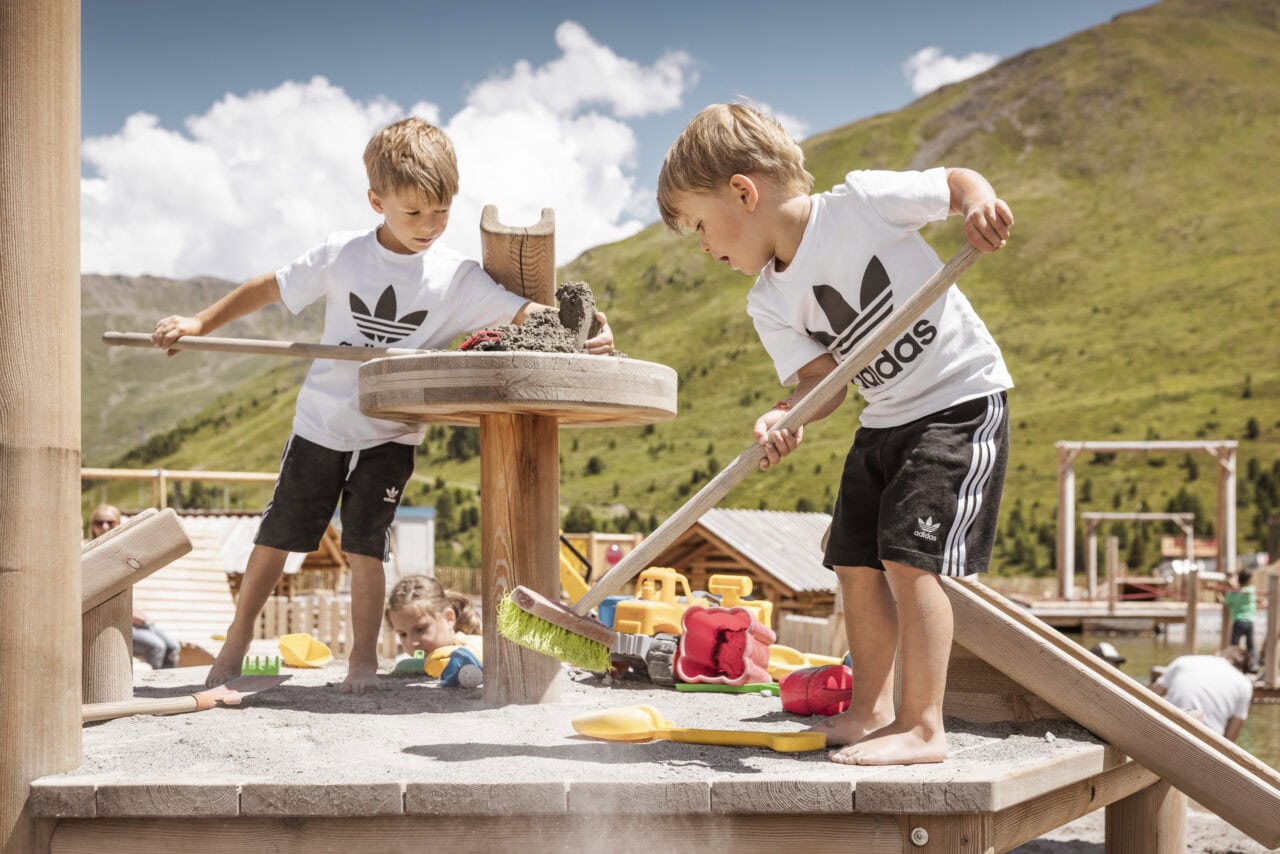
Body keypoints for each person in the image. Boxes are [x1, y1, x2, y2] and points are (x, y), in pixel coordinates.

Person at [152, 117, 613, 693]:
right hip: (321, 424)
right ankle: (236, 642)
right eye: (413, 212)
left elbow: (530, 316)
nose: (429, 225)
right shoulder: (342, 255)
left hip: (391, 433)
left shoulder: (457, 279)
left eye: (441, 211)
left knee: (365, 549)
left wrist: (588, 329)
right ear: (377, 201)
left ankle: (362, 661)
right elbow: (270, 287)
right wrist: (200, 321)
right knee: (276, 538)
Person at [657, 103, 1013, 766]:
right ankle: (869, 710)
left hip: (955, 401)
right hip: (883, 418)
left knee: (908, 561)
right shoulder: (768, 300)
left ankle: (923, 726)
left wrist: (979, 205)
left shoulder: (862, 204)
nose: (704, 247)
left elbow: (956, 182)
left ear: (743, 192)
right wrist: (784, 415)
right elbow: (822, 383)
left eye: (701, 226)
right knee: (853, 561)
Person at [88, 504, 180, 669]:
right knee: (157, 647)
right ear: (92, 526)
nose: (105, 527)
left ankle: (167, 679)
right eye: (99, 522)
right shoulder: (88, 554)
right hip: (107, 621)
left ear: (118, 524)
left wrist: (139, 615)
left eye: (110, 522)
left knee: (173, 646)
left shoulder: (122, 550)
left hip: (131, 616)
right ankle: (154, 682)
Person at [385, 575, 483, 685]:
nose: (412, 642)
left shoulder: (474, 645)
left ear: (449, 618)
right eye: (403, 634)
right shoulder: (414, 657)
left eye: (420, 629)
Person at [1152, 646, 1254, 741]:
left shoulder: (1183, 661)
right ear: (1242, 670)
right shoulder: (1244, 684)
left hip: (1167, 731)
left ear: (1218, 654)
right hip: (1206, 743)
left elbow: (1155, 693)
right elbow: (1231, 734)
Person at [1223, 568, 1257, 672]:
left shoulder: (1233, 593)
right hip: (1249, 622)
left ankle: (1232, 666)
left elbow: (1226, 602)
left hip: (1238, 621)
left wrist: (1231, 587)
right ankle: (1254, 665)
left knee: (1234, 645)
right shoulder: (1251, 590)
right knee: (1251, 646)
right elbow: (1248, 590)